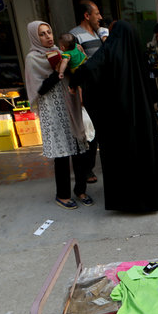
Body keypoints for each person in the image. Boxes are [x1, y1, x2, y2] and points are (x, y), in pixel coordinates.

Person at [70, 20, 158, 212]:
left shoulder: (110, 50)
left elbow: (90, 69)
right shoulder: (138, 53)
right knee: (144, 154)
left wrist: (73, 81)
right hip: (142, 114)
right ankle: (150, 201)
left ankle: (129, 202)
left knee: (124, 155)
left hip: (118, 116)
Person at [24, 21, 93, 210]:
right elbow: (40, 89)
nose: (48, 37)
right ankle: (62, 195)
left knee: (80, 148)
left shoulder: (62, 51)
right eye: (42, 34)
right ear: (34, 38)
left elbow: (78, 73)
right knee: (62, 154)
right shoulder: (33, 59)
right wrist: (56, 72)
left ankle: (81, 190)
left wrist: (77, 58)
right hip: (52, 110)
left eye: (49, 32)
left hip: (70, 104)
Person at [70, 0, 103, 184]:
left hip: (101, 90)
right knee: (89, 132)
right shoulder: (75, 36)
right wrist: (80, 90)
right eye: (96, 13)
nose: (100, 17)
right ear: (87, 15)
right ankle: (86, 170)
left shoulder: (99, 33)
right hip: (87, 91)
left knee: (98, 131)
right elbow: (75, 65)